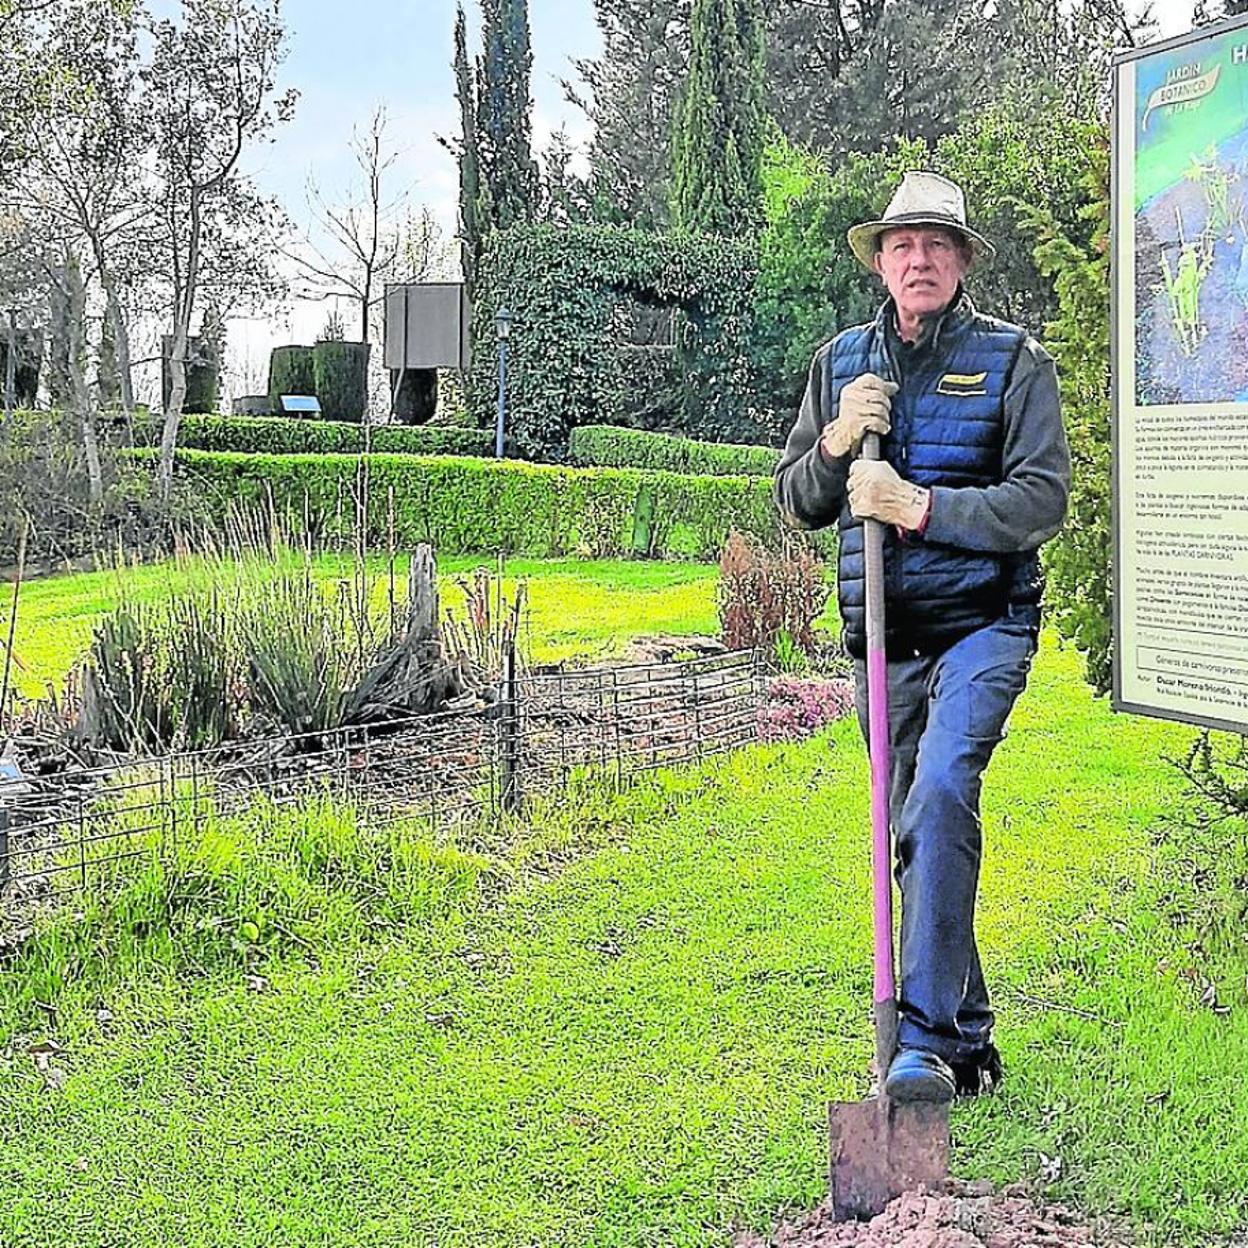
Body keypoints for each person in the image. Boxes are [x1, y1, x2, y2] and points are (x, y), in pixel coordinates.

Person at [773, 171, 1070, 1104]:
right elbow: (794, 500)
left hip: (984, 624)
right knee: (914, 830)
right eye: (903, 245)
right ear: (880, 261)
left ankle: (925, 1044)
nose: (919, 259)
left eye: (937, 244)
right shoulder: (841, 365)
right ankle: (969, 1038)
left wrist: (919, 506)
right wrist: (833, 448)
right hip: (883, 641)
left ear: (962, 260)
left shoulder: (1012, 361)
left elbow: (1042, 498)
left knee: (940, 792)